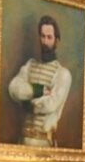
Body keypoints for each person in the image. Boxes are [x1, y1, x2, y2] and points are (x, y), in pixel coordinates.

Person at [6, 15, 73, 147]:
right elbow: (14, 88)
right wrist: (38, 90)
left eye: (49, 37)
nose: (45, 41)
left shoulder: (63, 74)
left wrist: (27, 104)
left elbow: (51, 104)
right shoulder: (30, 65)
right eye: (42, 36)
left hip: (43, 144)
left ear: (56, 40)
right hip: (22, 141)